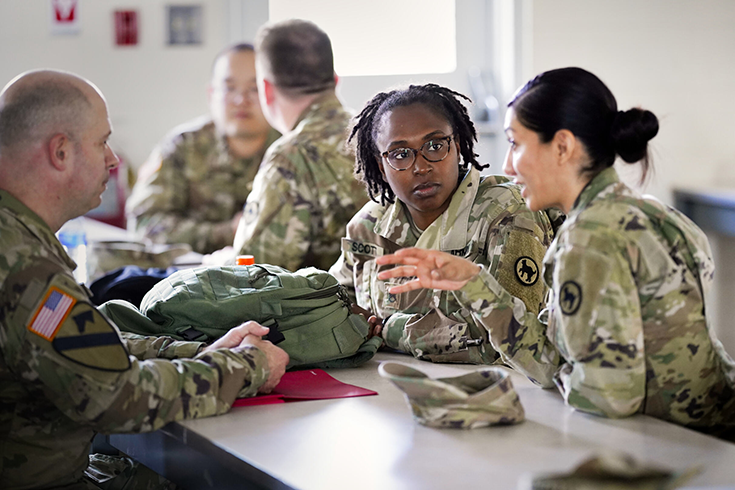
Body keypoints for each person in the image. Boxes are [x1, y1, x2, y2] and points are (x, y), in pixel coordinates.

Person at [375, 67, 735, 438]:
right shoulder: (649, 213)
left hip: (685, 448)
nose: (507, 166)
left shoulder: (590, 241)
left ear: (562, 146)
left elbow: (608, 399)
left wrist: (566, 375)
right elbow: (550, 360)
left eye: (515, 144)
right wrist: (473, 283)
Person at [0, 69, 289, 489]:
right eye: (102, 142)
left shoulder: (16, 236)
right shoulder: (24, 267)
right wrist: (245, 366)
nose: (113, 159)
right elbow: (116, 397)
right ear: (60, 152)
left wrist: (197, 352)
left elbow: (84, 344)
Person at [329, 83, 563, 374]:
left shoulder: (507, 214)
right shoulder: (369, 225)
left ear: (459, 145)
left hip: (498, 392)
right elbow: (333, 307)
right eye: (400, 154)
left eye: (435, 146)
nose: (421, 167)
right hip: (387, 391)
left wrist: (390, 331)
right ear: (381, 165)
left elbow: (511, 342)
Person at [229, 19, 368, 271]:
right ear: (335, 80)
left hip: (335, 306)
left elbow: (254, 272)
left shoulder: (290, 156)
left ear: (266, 89)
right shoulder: (377, 131)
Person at [126, 43, 280, 254]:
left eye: (254, 89)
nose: (241, 100)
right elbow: (144, 225)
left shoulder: (291, 149)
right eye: (229, 88)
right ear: (211, 94)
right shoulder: (182, 146)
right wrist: (227, 232)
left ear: (271, 93)